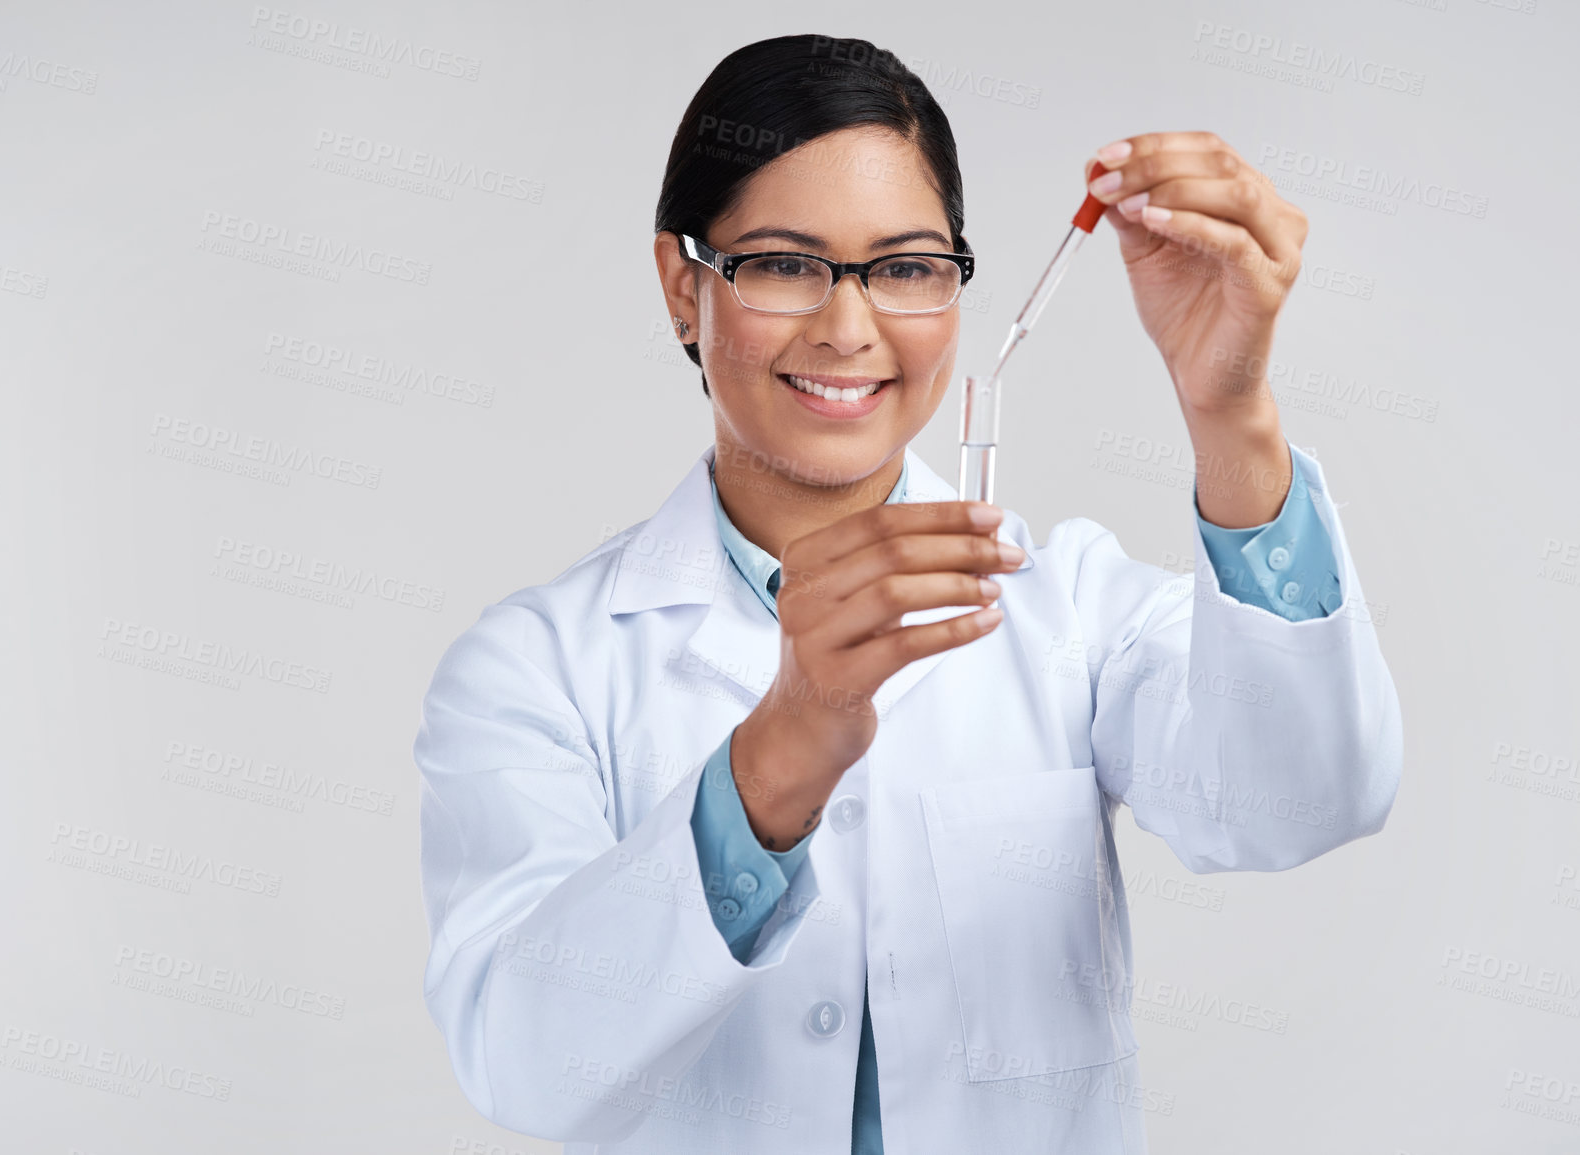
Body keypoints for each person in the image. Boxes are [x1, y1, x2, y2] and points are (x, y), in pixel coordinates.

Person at [415, 33, 1401, 1155]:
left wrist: (1233, 414)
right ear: (684, 286)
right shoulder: (535, 667)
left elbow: (1306, 799)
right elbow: (531, 1065)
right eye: (784, 264)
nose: (849, 327)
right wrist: (780, 754)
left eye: (905, 267)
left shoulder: (1069, 609)